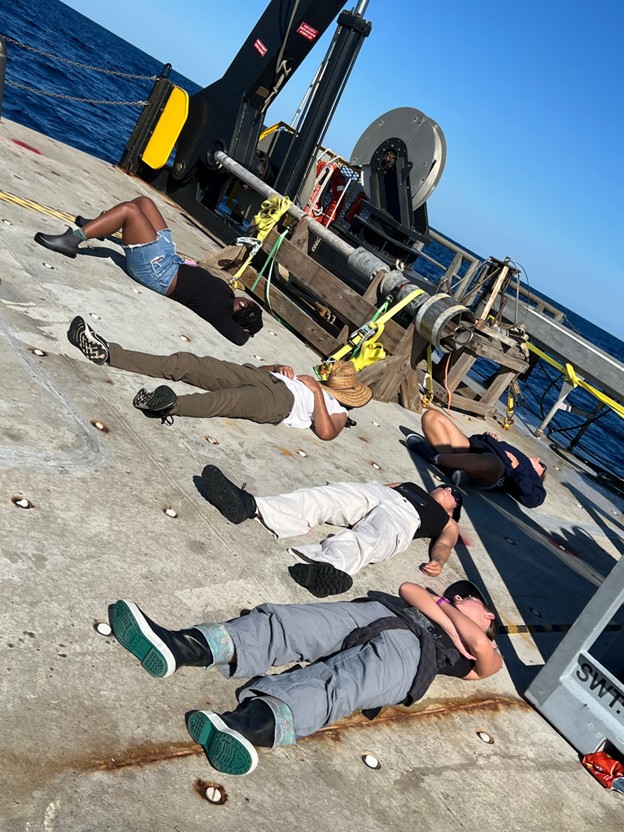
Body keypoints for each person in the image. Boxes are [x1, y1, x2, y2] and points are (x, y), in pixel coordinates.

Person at [107, 580, 501, 776]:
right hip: (371, 614)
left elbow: (486, 661)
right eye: (456, 596)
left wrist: (457, 622)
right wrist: (451, 616)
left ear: (488, 618)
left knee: (338, 687)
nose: (457, 597)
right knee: (288, 625)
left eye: (468, 599)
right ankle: (180, 646)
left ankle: (246, 728)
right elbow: (409, 589)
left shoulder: (479, 646)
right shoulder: (442, 605)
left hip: (411, 657)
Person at [66, 316, 371, 440]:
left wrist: (316, 394)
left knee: (227, 402)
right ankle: (109, 353)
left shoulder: (339, 410)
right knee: (189, 363)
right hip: (266, 379)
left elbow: (327, 433)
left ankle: (167, 405)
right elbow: (253, 369)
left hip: (280, 403)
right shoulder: (317, 385)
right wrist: (276, 368)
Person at [198, 465, 463, 595]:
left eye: (455, 496)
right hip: (378, 493)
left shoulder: (446, 520)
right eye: (448, 486)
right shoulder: (409, 484)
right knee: (323, 497)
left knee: (371, 539)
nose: (449, 489)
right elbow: (380, 487)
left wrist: (438, 561)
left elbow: (446, 543)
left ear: (452, 511)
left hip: (405, 517)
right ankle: (249, 505)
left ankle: (325, 569)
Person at [34, 196, 262, 345]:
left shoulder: (220, 314)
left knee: (129, 211)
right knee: (144, 203)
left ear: (244, 305)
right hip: (170, 258)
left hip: (156, 270)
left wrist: (248, 327)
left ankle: (71, 241)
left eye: (246, 303)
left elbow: (239, 339)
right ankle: (103, 224)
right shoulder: (228, 297)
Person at [407, 408, 547, 509]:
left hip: (493, 471)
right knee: (431, 416)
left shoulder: (529, 475)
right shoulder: (519, 456)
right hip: (474, 449)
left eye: (541, 465)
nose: (538, 458)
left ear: (538, 474)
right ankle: (451, 468)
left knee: (492, 462)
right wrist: (489, 440)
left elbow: (533, 500)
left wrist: (518, 468)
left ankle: (433, 456)